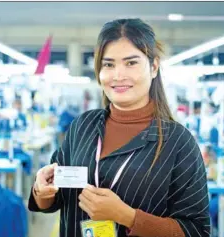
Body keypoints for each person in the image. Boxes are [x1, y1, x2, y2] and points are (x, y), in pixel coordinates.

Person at [28, 18, 210, 237]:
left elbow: (197, 230)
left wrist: (128, 216)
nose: (118, 75)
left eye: (131, 63)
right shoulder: (82, 127)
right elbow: (56, 195)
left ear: (153, 67)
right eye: (109, 64)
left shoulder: (178, 142)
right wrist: (43, 192)